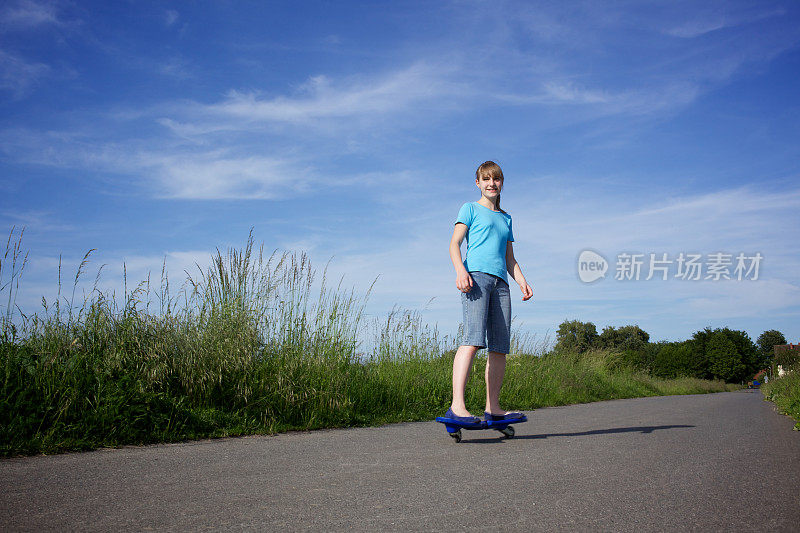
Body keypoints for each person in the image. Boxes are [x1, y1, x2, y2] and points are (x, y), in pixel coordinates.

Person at [446, 161, 533, 424]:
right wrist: (461, 271)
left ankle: (492, 408)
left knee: (499, 347)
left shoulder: (506, 218)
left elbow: (510, 258)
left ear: (501, 182)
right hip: (476, 279)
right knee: (472, 339)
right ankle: (457, 406)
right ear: (478, 183)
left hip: (501, 285)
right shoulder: (470, 209)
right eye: (486, 179)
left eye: (495, 179)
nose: (491, 184)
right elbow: (454, 244)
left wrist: (522, 281)